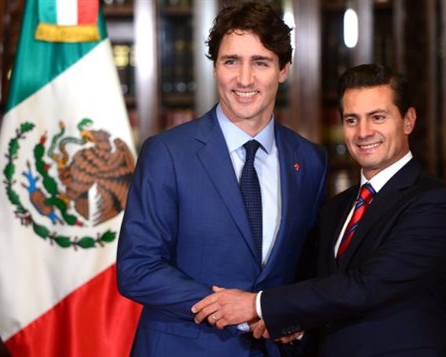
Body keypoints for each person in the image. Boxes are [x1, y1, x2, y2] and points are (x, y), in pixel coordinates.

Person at [192, 64, 446, 356]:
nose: (363, 132)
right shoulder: (336, 208)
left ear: (408, 120)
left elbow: (366, 287)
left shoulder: (434, 202)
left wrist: (257, 304)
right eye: (351, 120)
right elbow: (325, 292)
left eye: (377, 117)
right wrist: (294, 325)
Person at [116, 1, 328, 356]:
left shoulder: (310, 160)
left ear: (284, 70)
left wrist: (287, 315)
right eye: (232, 61)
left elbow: (309, 270)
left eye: (260, 63)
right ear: (215, 68)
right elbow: (137, 268)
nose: (244, 79)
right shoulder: (167, 154)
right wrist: (243, 311)